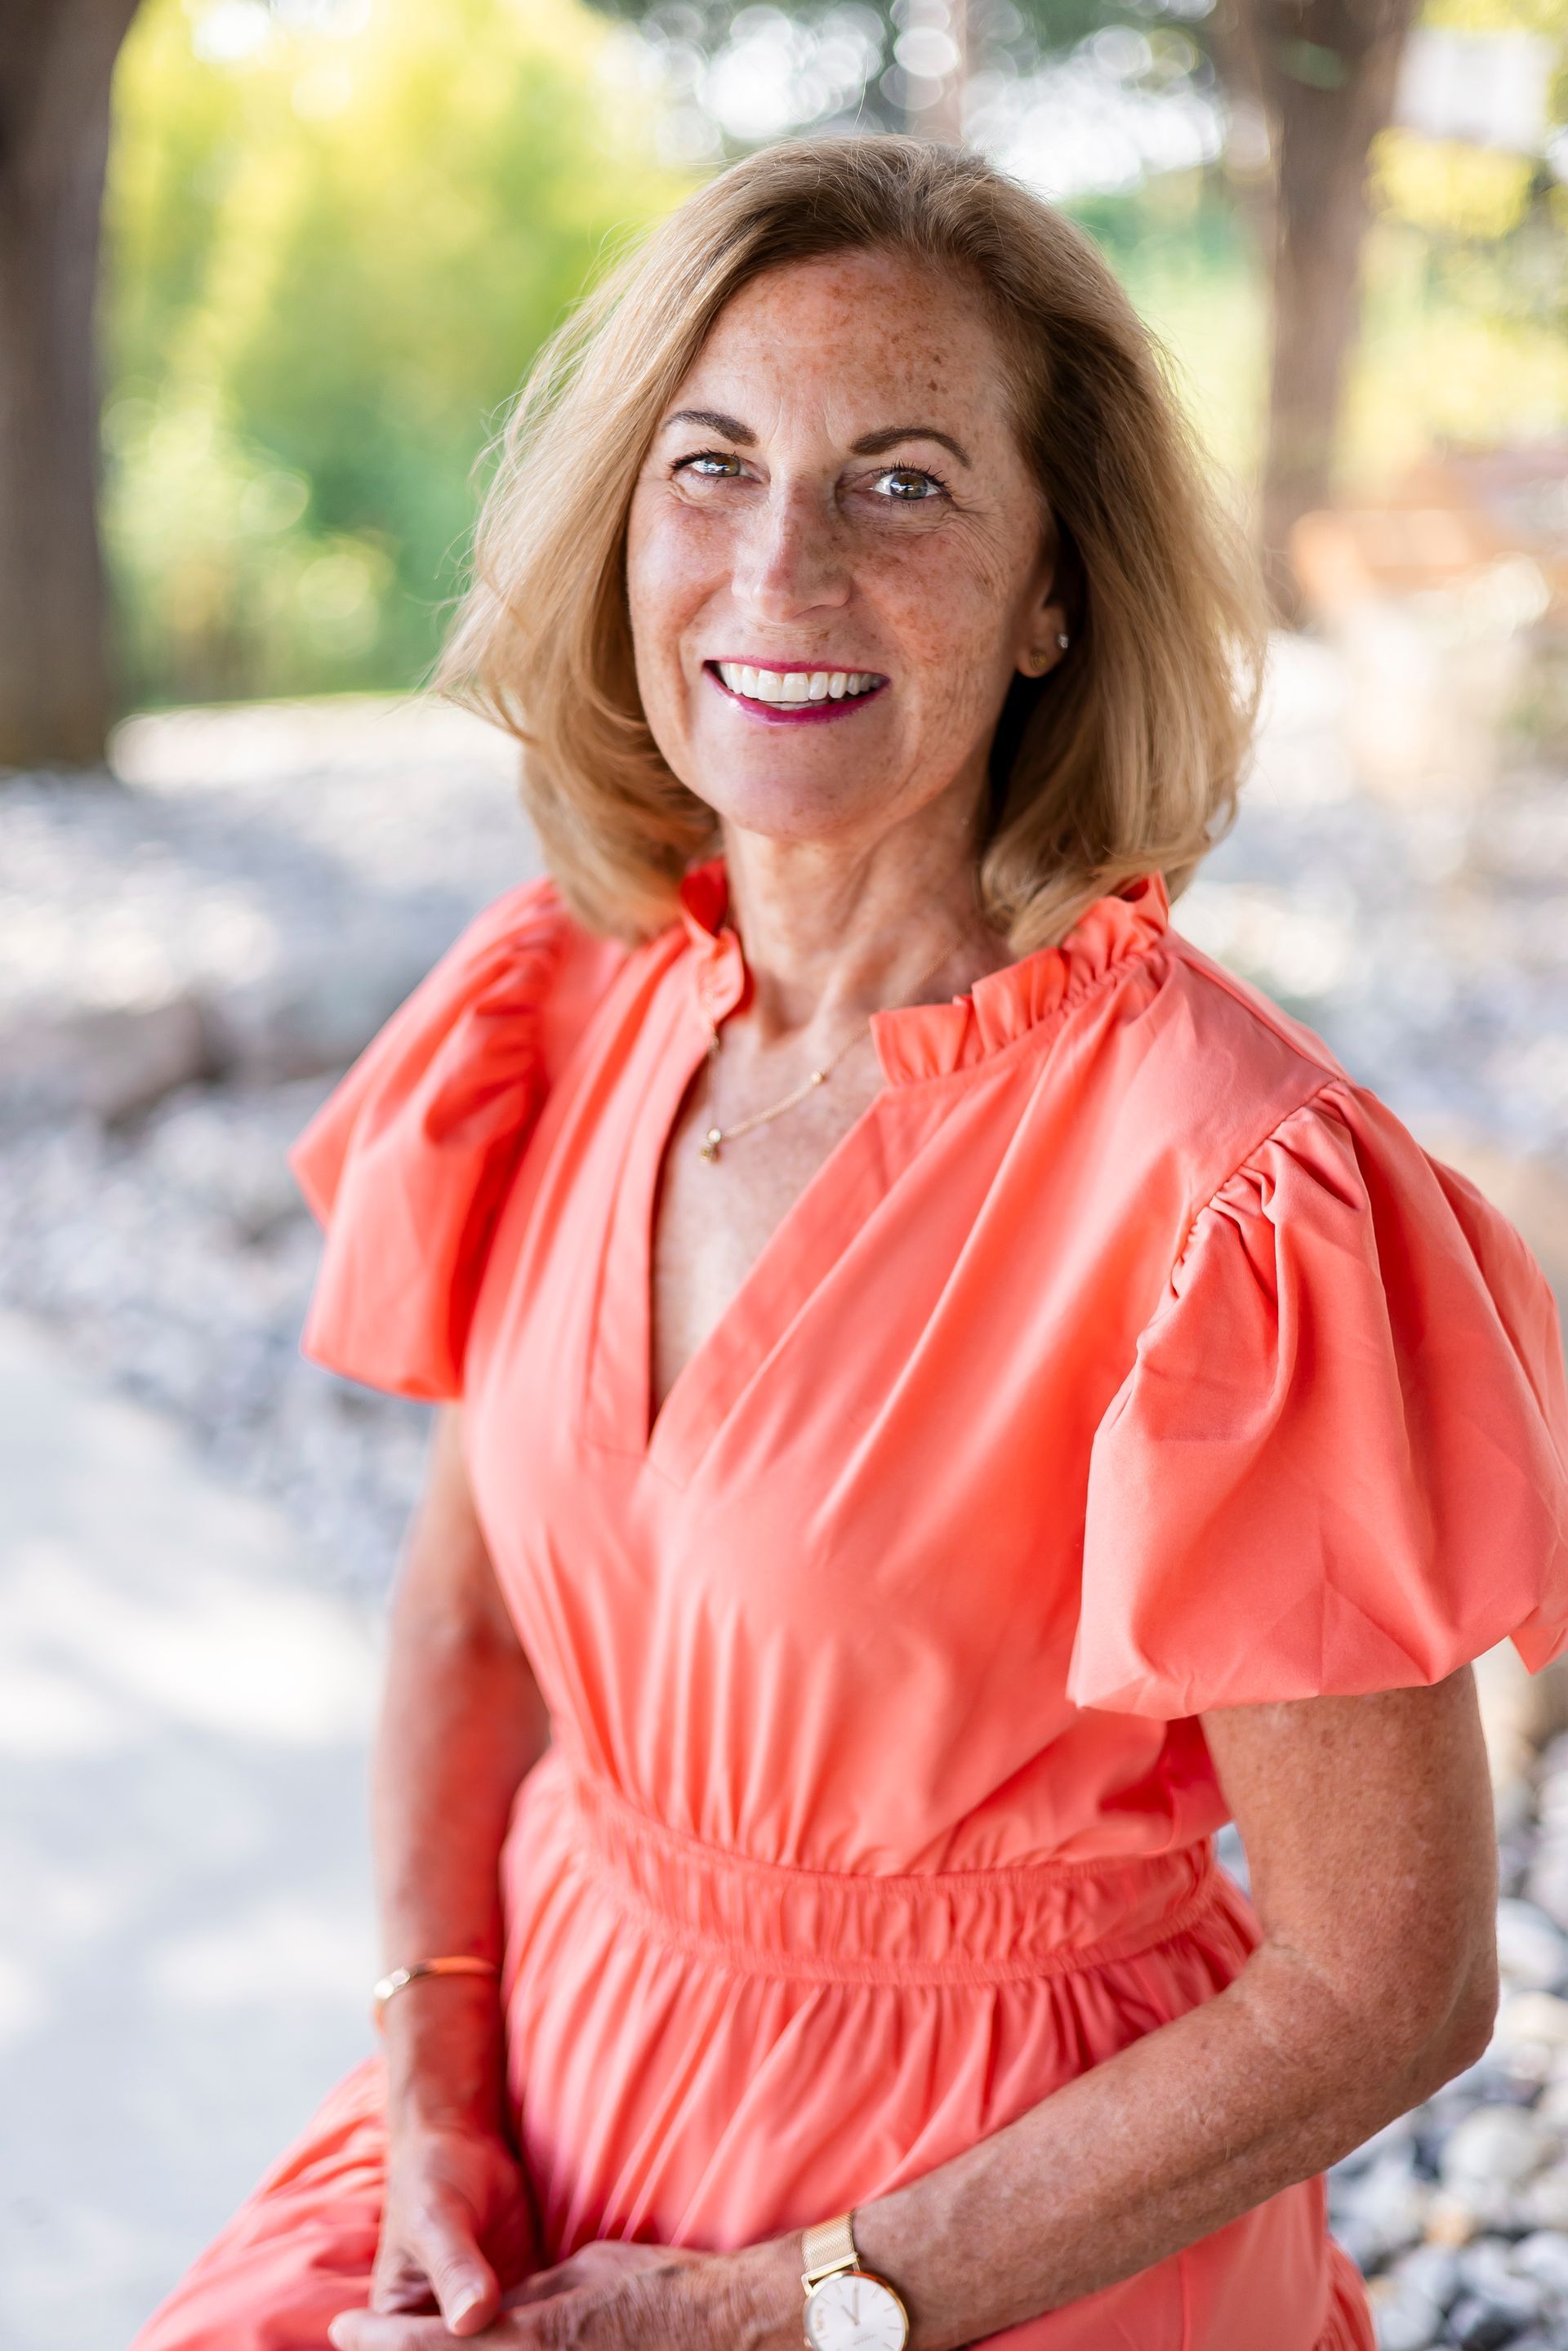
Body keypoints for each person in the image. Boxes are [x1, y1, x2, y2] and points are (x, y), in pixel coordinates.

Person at [131, 137, 1568, 2351]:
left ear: (1051, 596)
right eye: (712, 466)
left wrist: (785, 2314)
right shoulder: (567, 1005)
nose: (777, 567)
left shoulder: (1233, 1189)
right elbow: (470, 1625)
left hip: (992, 2237)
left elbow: (1390, 1983)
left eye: (901, 486)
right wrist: (435, 2096)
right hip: (538, 2113)